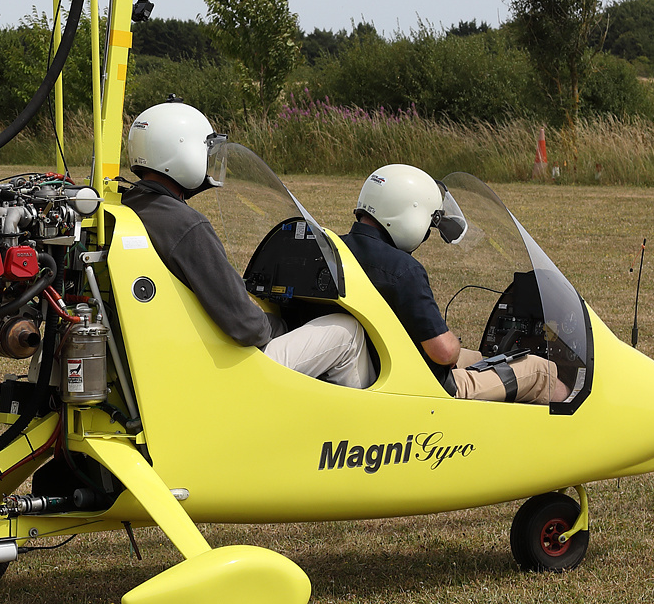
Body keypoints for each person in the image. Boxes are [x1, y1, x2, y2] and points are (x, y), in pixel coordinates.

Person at [121, 102, 373, 389]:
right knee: (347, 331)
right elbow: (245, 326)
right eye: (207, 152)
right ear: (183, 151)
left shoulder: (130, 207)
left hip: (171, 359)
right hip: (217, 369)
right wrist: (280, 327)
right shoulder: (186, 225)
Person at [340, 163, 568, 404]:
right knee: (541, 372)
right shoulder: (403, 269)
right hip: (426, 385)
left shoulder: (337, 252)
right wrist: (451, 341)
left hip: (383, 365)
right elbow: (445, 353)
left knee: (484, 357)